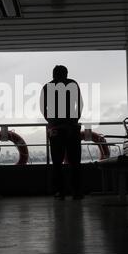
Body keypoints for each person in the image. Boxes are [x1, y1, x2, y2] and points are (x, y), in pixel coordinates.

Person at [40, 65, 84, 200]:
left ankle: (60, 192)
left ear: (53, 75)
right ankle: (76, 191)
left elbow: (43, 108)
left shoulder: (47, 87)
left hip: (56, 130)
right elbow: (80, 104)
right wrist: (74, 120)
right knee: (75, 161)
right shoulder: (73, 84)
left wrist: (52, 122)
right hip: (72, 128)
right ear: (66, 74)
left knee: (57, 162)